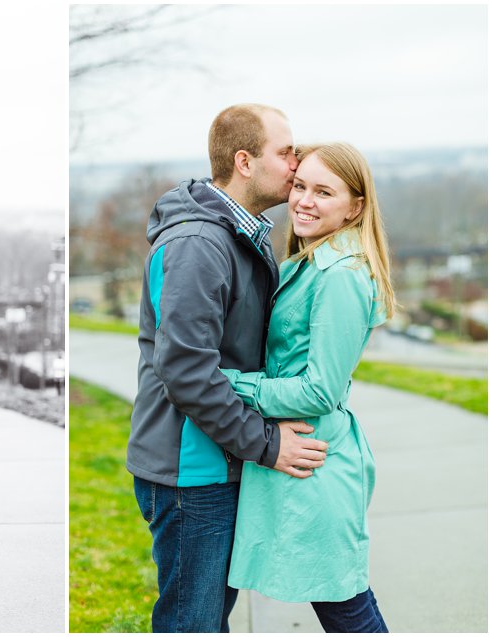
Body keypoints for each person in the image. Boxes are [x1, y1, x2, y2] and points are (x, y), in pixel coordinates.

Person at [127, 103, 330, 633]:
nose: (297, 163)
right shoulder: (199, 244)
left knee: (206, 618)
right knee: (192, 624)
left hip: (217, 462)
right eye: (286, 152)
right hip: (191, 472)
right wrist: (267, 442)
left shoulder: (238, 233)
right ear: (244, 161)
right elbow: (186, 372)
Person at [222, 142, 395, 632]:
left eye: (324, 192)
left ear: (356, 207)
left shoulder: (340, 276)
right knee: (343, 605)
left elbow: (320, 391)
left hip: (316, 461)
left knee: (346, 609)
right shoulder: (310, 262)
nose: (304, 201)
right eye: (300, 186)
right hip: (302, 456)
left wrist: (234, 384)